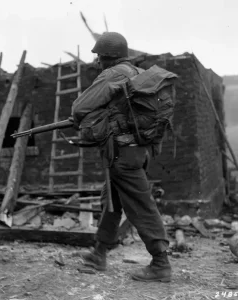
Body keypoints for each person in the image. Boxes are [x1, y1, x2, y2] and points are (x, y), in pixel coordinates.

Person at [71, 32, 171, 282]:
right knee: (111, 201)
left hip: (123, 154)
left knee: (141, 205)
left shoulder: (114, 74)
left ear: (109, 57)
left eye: (99, 57)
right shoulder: (137, 73)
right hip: (137, 150)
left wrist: (84, 117)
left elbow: (80, 107)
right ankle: (99, 252)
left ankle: (161, 263)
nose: (97, 62)